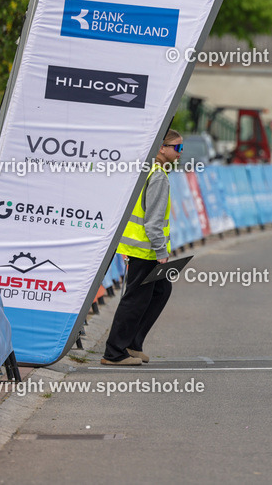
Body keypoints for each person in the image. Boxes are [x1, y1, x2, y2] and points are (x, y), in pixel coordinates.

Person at [102, 129, 183, 366]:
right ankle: (114, 352)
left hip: (142, 248)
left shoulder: (149, 170)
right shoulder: (157, 176)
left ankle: (132, 344)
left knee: (161, 291)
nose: (180, 153)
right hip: (145, 249)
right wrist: (161, 252)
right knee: (135, 300)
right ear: (162, 148)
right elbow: (153, 221)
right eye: (176, 148)